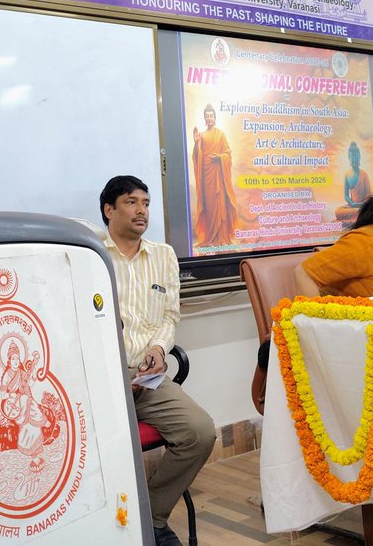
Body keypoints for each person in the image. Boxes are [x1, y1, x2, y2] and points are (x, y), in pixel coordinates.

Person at [99, 175, 215, 546]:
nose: (142, 211)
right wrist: (118, 377)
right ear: (109, 210)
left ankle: (149, 517)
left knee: (200, 432)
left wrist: (159, 351)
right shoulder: (92, 256)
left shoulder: (163, 255)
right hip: (102, 379)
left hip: (148, 377)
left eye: (146, 203)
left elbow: (169, 316)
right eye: (131, 202)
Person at [190, 103, 237, 247]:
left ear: (215, 118)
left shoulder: (220, 134)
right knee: (210, 207)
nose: (209, 118)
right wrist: (196, 143)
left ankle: (222, 237)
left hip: (219, 176)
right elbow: (197, 156)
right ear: (205, 119)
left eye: (211, 116)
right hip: (207, 177)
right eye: (207, 116)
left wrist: (220, 157)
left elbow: (228, 153)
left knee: (221, 204)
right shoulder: (202, 136)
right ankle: (210, 237)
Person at [342, 140, 372, 207]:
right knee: (339, 211)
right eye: (352, 156)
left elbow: (369, 194)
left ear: (359, 157)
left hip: (363, 206)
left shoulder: (364, 174)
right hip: (353, 205)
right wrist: (352, 203)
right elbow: (346, 195)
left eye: (356, 156)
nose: (355, 159)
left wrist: (363, 203)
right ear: (349, 158)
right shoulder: (347, 175)